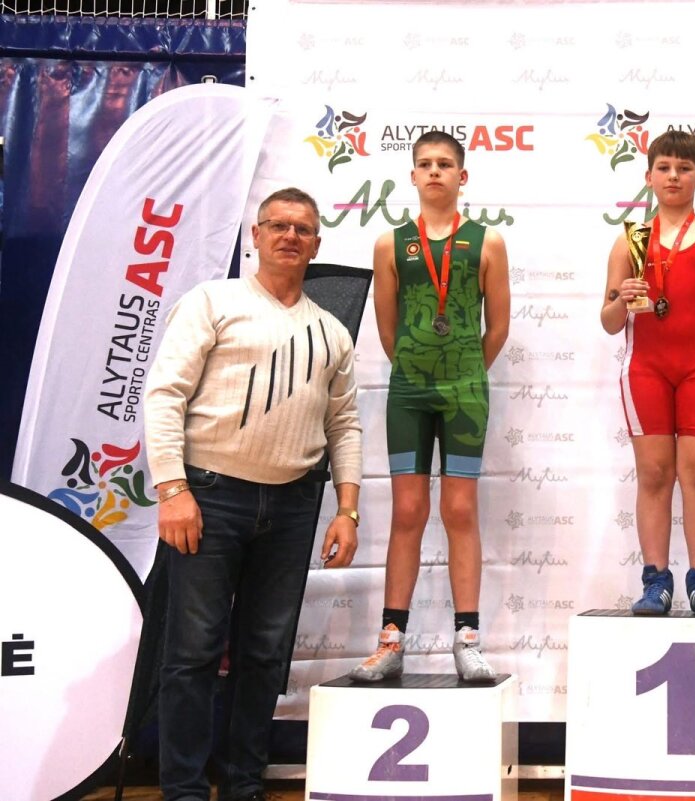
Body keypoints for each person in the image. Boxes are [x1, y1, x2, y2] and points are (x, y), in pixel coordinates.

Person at [145, 186, 362, 801]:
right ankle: (184, 790)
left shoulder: (332, 332)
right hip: (209, 497)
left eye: (303, 229)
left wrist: (347, 509)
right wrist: (172, 489)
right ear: (257, 236)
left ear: (316, 245)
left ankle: (244, 785)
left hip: (293, 507)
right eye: (279, 225)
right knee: (192, 652)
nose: (290, 236)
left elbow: (345, 425)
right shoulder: (212, 301)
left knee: (265, 654)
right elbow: (164, 394)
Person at [351, 130, 510, 683]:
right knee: (408, 511)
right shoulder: (390, 244)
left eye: (445, 164)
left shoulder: (487, 242)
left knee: (460, 510)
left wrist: (464, 373)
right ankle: (391, 641)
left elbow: (498, 327)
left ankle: (467, 639)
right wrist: (418, 371)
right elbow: (387, 328)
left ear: (462, 177)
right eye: (425, 164)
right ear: (413, 176)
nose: (435, 171)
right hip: (409, 394)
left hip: (465, 392)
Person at [599, 130, 695, 617]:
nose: (673, 176)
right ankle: (655, 581)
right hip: (646, 370)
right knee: (654, 473)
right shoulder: (630, 240)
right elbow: (609, 321)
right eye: (664, 167)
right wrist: (621, 298)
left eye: (684, 169)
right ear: (648, 176)